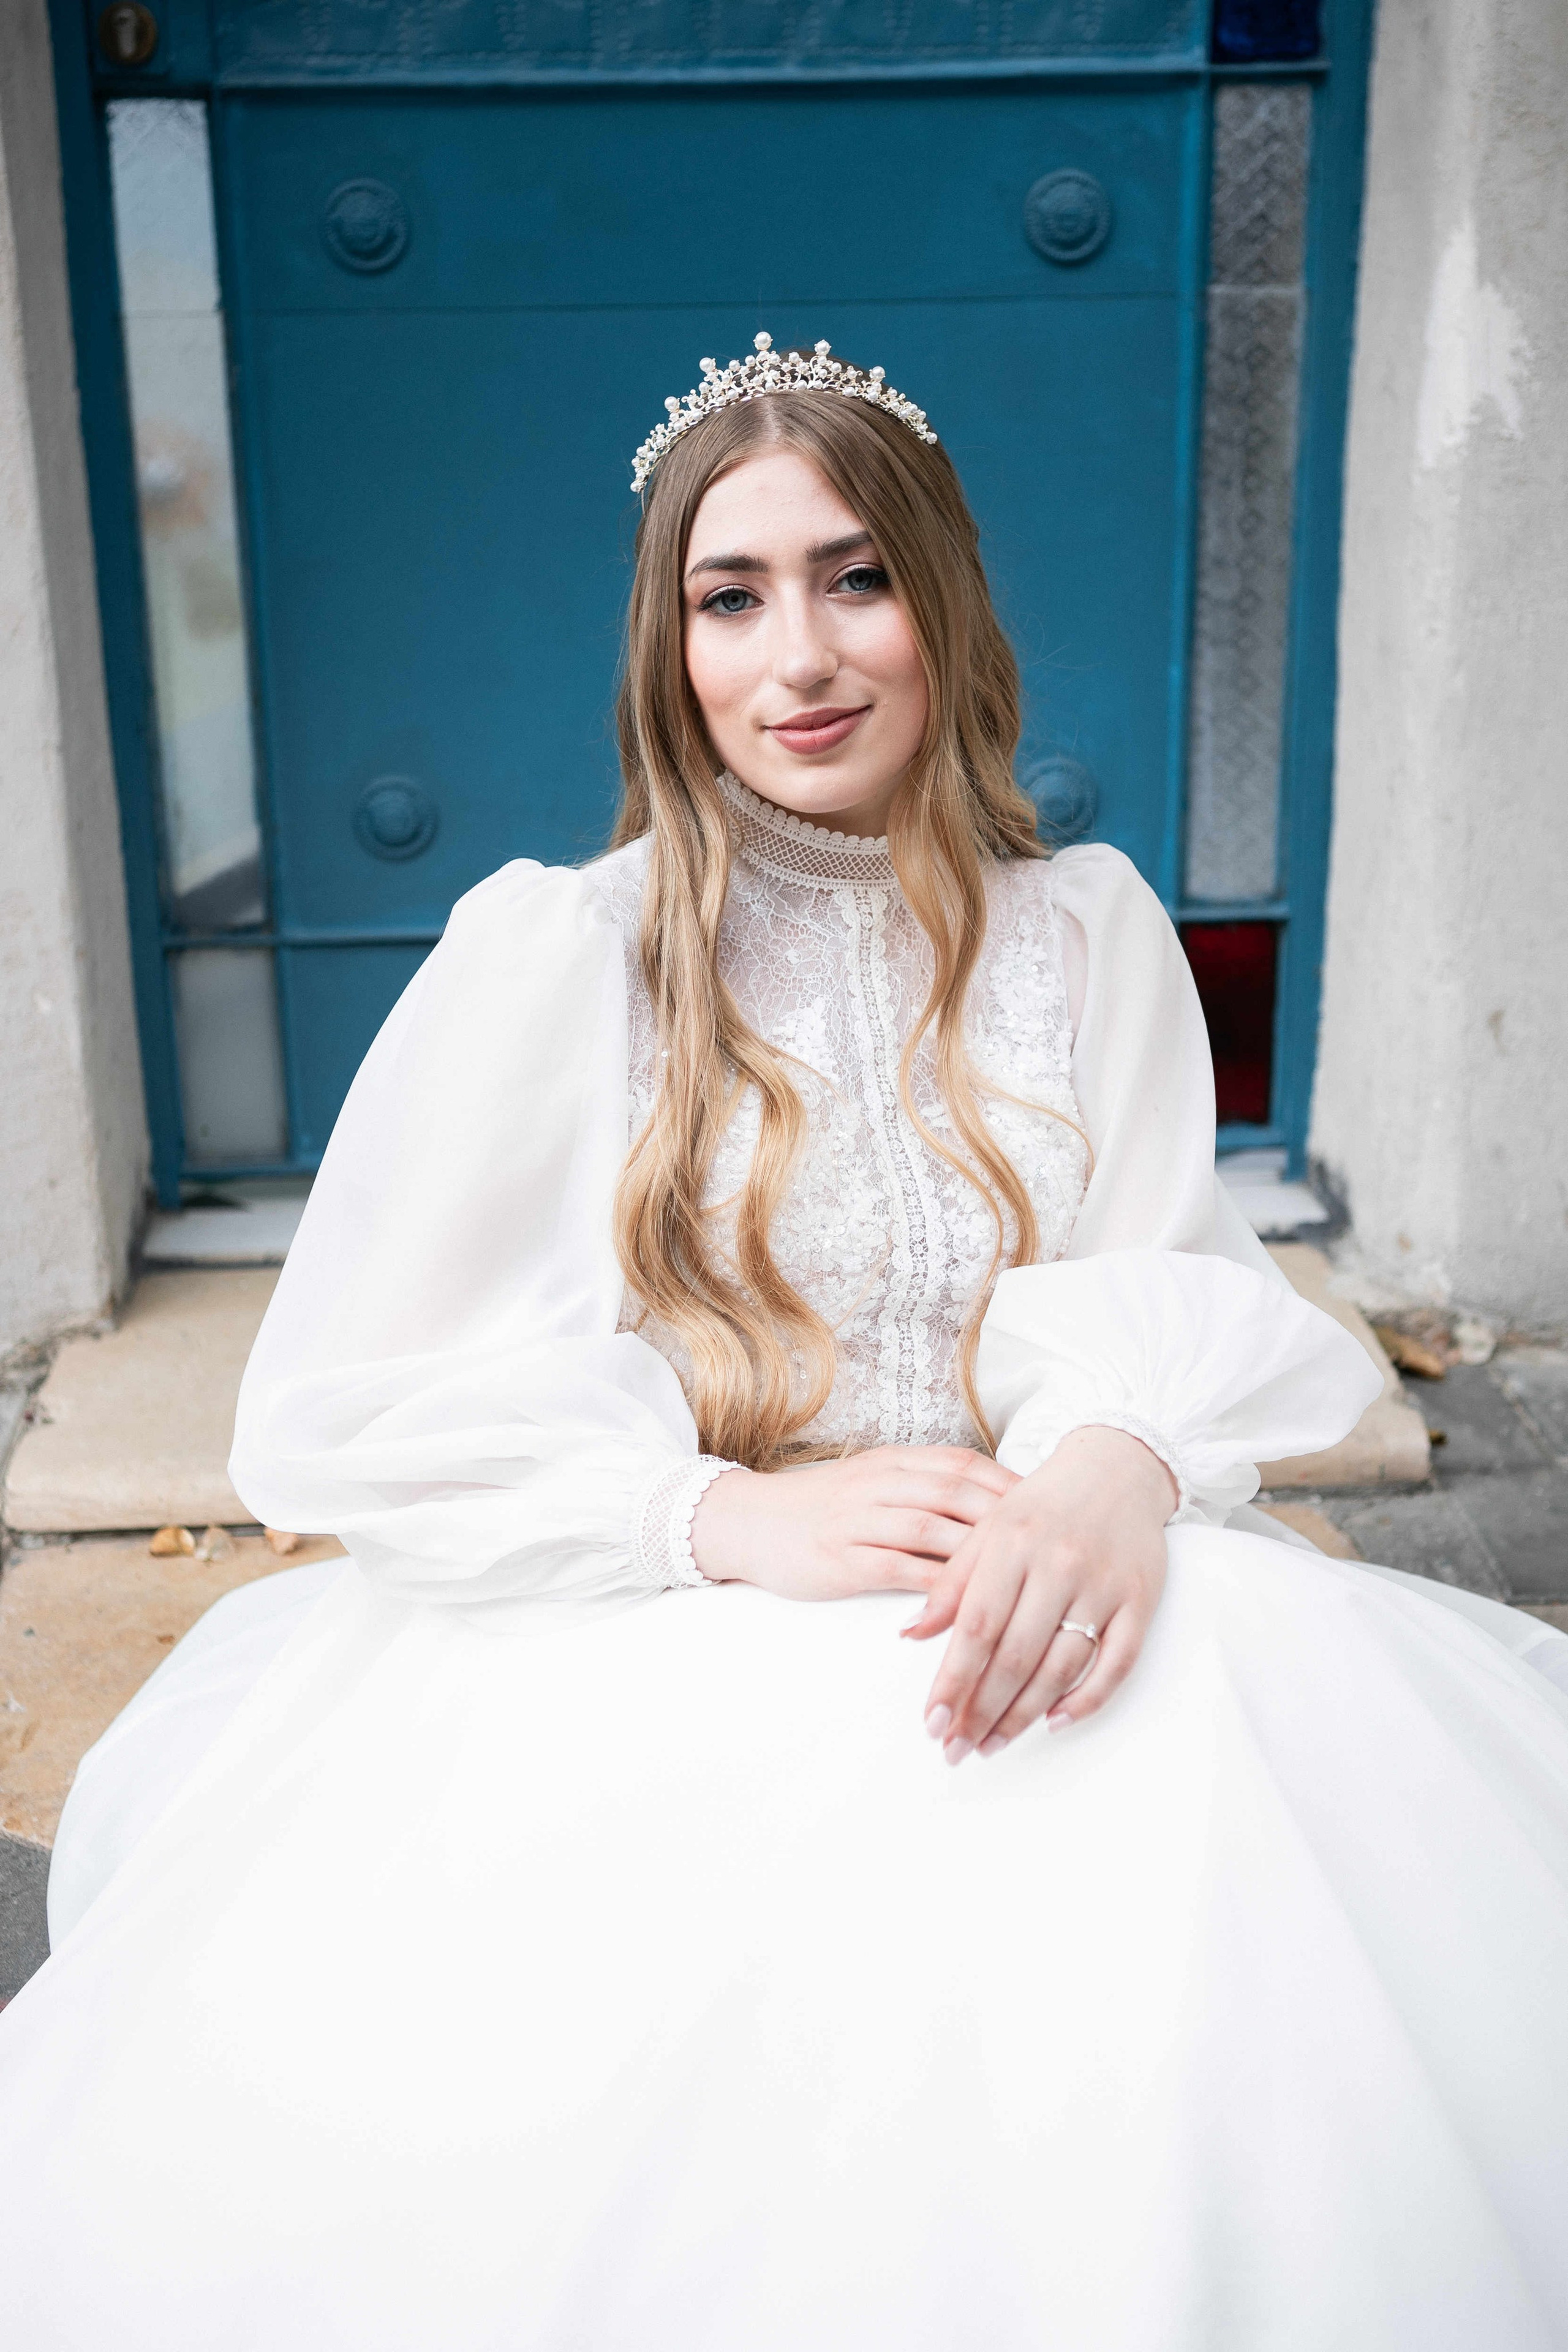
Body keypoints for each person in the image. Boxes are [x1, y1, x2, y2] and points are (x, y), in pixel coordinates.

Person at [4, 334, 1568, 2351]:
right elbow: (351, 1412)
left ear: (940, 603)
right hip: (677, 1599)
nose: (799, 656)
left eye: (854, 578)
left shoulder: (1084, 932)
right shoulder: (566, 955)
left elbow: (1173, 1267)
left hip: (1035, 1559)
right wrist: (711, 1522)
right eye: (729, 597)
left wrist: (1116, 1469)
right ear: (670, 650)